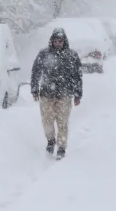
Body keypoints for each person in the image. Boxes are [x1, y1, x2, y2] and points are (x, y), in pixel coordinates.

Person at [30, 28, 83, 159]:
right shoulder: (43, 54)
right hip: (46, 95)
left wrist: (78, 94)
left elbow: (77, 76)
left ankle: (61, 147)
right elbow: (36, 71)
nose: (58, 43)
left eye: (60, 41)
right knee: (47, 122)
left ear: (64, 41)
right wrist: (34, 89)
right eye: (56, 41)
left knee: (62, 122)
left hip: (65, 95)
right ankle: (51, 140)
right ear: (51, 41)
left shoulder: (72, 55)